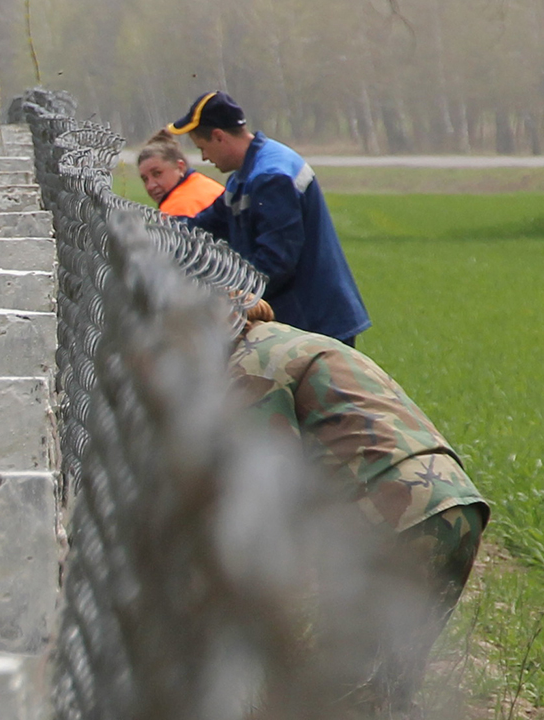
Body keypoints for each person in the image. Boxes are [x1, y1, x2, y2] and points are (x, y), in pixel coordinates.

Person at [229, 299, 488, 713]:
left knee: (338, 696)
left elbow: (264, 490)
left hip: (390, 518)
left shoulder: (247, 367)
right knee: (386, 688)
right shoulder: (292, 340)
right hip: (454, 507)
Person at [168, 91, 370, 346]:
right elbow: (204, 226)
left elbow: (275, 262)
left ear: (219, 136)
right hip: (298, 321)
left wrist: (221, 294)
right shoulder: (244, 175)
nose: (204, 158)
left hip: (313, 324)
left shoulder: (271, 176)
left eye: (202, 148)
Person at [137, 128, 224, 217]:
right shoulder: (203, 184)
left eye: (157, 173)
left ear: (180, 167)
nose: (150, 186)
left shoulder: (176, 207)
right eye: (145, 179)